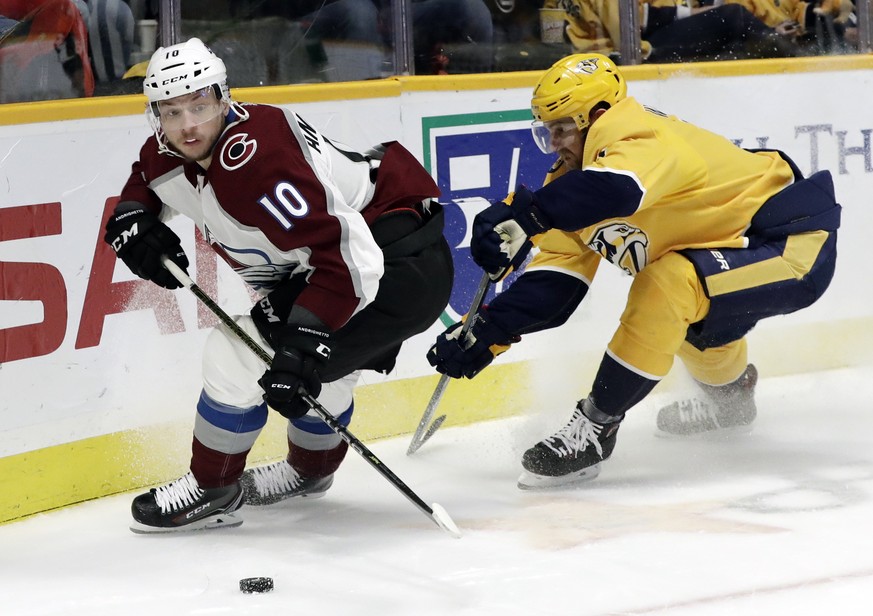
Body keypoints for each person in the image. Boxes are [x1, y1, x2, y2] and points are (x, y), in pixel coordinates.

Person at [427, 53, 840, 489]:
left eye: (564, 128)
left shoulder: (642, 138)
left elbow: (616, 189)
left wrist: (525, 215)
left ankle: (594, 428)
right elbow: (557, 281)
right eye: (546, 132)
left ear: (599, 116)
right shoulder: (572, 182)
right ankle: (732, 400)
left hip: (791, 244)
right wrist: (489, 330)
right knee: (689, 323)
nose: (555, 144)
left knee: (667, 283)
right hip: (726, 249)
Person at [104, 38, 453, 532]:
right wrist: (134, 216)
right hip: (364, 262)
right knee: (324, 375)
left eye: (200, 106)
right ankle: (310, 473)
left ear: (226, 100)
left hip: (393, 267)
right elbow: (147, 175)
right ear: (155, 114)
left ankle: (212, 487)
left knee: (237, 354)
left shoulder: (256, 161)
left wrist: (304, 342)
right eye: (172, 110)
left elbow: (348, 258)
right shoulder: (168, 151)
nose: (187, 125)